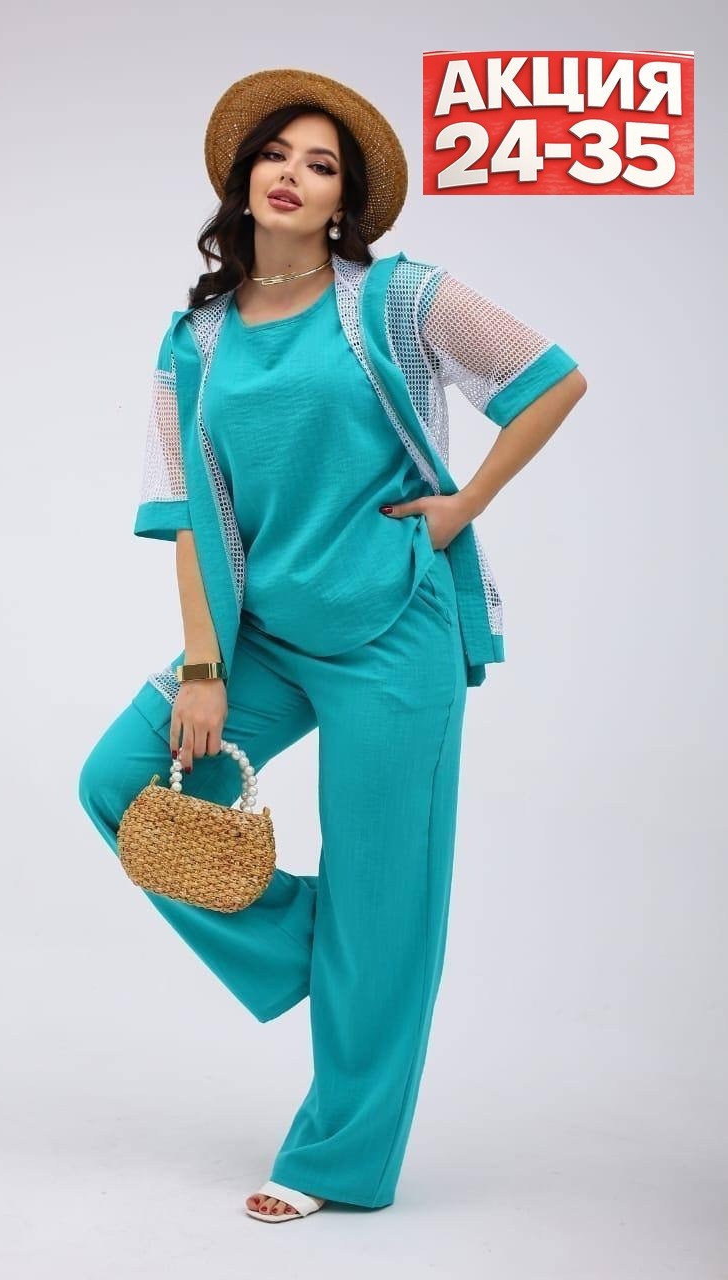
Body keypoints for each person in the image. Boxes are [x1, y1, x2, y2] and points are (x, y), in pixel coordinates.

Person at [78, 67, 587, 1223]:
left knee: (383, 879)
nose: (293, 175)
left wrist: (464, 504)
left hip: (392, 628)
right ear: (242, 175)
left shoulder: (399, 299)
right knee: (120, 785)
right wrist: (201, 667)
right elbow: (188, 515)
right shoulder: (194, 340)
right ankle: (336, 937)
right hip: (262, 634)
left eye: (321, 165)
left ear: (344, 200)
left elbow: (550, 380)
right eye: (277, 153)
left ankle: (337, 1158)